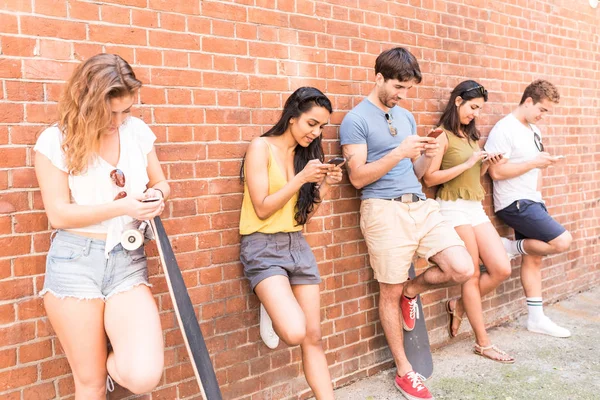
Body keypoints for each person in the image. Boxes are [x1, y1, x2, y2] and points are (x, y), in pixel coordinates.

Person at [340, 47, 473, 400]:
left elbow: (414, 174)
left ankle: (412, 292)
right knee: (389, 290)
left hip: (419, 204)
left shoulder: (407, 117)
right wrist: (399, 152)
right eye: (398, 87)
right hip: (383, 211)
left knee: (461, 268)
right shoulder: (356, 120)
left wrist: (425, 158)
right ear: (379, 77)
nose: (402, 95)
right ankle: (404, 371)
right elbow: (356, 178)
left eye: (408, 89)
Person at [34, 54, 169, 399]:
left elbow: (161, 182)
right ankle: (94, 368)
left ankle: (105, 362)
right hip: (76, 263)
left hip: (127, 260)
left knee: (142, 376)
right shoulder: (55, 140)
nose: (119, 120)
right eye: (111, 112)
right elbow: (59, 215)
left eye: (126, 111)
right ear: (88, 102)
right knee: (90, 384)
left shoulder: (136, 132)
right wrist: (122, 206)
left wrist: (155, 196)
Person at [239, 87, 342, 399]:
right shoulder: (261, 147)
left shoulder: (304, 156)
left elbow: (301, 217)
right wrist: (301, 179)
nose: (316, 132)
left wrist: (324, 188)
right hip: (262, 247)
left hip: (296, 244)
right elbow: (262, 207)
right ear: (293, 116)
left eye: (322, 127)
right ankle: (273, 302)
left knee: (313, 336)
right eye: (312, 123)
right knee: (295, 331)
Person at [422, 80, 514, 363]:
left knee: (501, 268)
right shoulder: (441, 136)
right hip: (451, 207)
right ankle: (483, 343)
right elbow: (428, 178)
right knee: (471, 274)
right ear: (458, 101)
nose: (476, 113)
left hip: (474, 207)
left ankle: (459, 304)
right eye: (473, 107)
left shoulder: (470, 135)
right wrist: (466, 163)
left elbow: (474, 173)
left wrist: (488, 163)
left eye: (479, 109)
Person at [485, 79, 572, 338]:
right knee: (562, 241)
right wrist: (534, 162)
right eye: (542, 110)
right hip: (514, 203)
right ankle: (509, 247)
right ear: (528, 101)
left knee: (534, 258)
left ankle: (536, 319)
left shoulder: (534, 130)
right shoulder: (504, 129)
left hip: (532, 200)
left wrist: (540, 191)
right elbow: (497, 172)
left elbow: (536, 166)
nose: (543, 116)